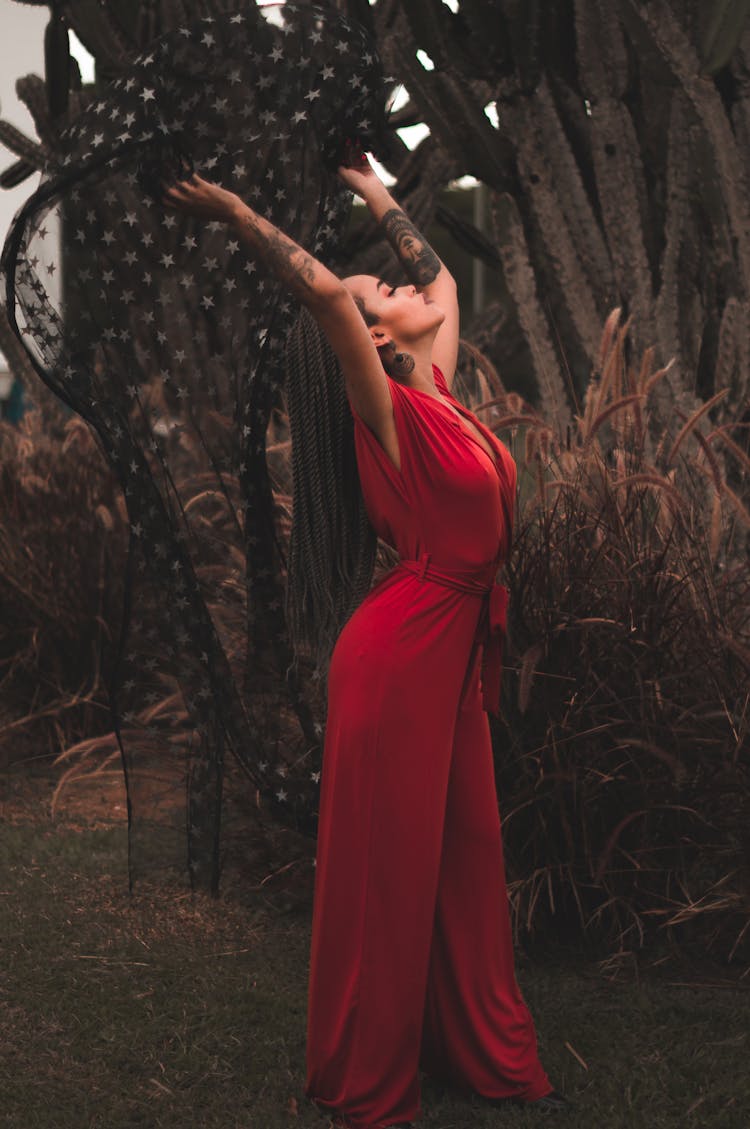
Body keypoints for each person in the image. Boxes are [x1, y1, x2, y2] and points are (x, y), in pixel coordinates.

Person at [162, 147, 571, 1129]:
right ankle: (366, 1077)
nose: (394, 283)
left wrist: (377, 191)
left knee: (468, 858)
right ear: (374, 332)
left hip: (452, 652)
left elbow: (430, 274)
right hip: (399, 661)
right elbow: (325, 297)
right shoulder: (384, 409)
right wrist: (231, 207)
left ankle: (487, 1055)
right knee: (388, 871)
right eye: (374, 291)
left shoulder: (434, 385)